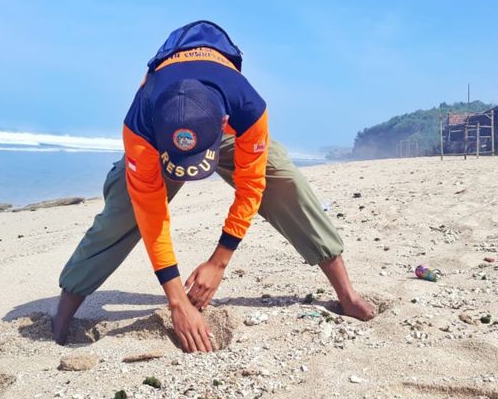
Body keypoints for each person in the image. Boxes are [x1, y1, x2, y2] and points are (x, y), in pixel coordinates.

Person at [52, 21, 374, 351]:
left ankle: (346, 294)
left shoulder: (248, 109)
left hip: (231, 131)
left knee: (288, 186)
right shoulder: (141, 124)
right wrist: (177, 300)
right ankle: (64, 312)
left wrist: (218, 262)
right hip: (162, 135)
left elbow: (251, 187)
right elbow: (150, 211)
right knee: (124, 211)